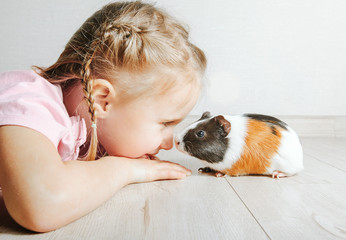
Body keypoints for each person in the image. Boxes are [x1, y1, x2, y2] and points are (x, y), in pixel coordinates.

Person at [0, 1, 206, 232]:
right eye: (165, 123)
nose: (169, 143)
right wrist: (125, 170)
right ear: (101, 100)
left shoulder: (95, 133)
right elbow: (41, 206)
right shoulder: (27, 102)